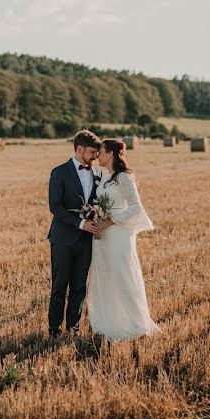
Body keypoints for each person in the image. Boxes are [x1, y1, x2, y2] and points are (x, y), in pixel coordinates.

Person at [88, 138, 160, 341]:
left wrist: (111, 220)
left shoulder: (124, 177)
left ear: (110, 153)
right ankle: (108, 321)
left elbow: (136, 207)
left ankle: (133, 323)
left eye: (100, 152)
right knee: (104, 276)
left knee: (121, 275)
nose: (97, 156)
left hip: (118, 234)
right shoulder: (103, 176)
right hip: (101, 235)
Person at [46, 129, 102, 337]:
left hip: (87, 240)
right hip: (63, 238)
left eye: (97, 153)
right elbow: (55, 207)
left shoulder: (97, 174)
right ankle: (54, 330)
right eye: (91, 152)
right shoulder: (58, 172)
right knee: (59, 286)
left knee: (79, 287)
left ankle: (74, 328)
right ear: (79, 149)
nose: (95, 157)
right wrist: (80, 223)